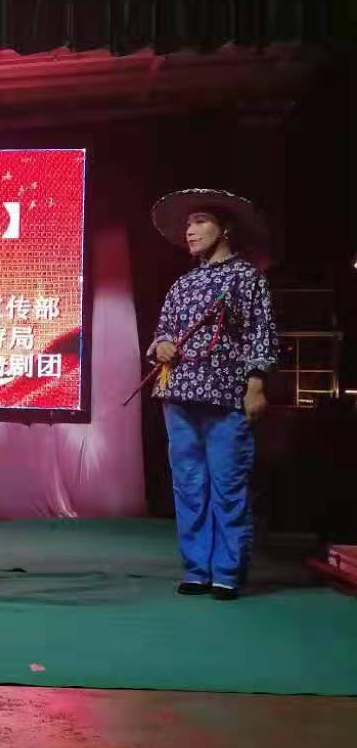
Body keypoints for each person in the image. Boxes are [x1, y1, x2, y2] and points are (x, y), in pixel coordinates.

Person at [147, 188, 279, 600]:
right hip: (179, 392)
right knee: (189, 484)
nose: (190, 231)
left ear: (225, 229)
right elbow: (162, 332)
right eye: (188, 224)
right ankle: (196, 569)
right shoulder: (182, 284)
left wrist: (256, 385)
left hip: (226, 395)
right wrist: (162, 345)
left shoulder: (247, 278)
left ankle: (226, 571)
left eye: (200, 221)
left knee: (227, 484)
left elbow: (262, 334)